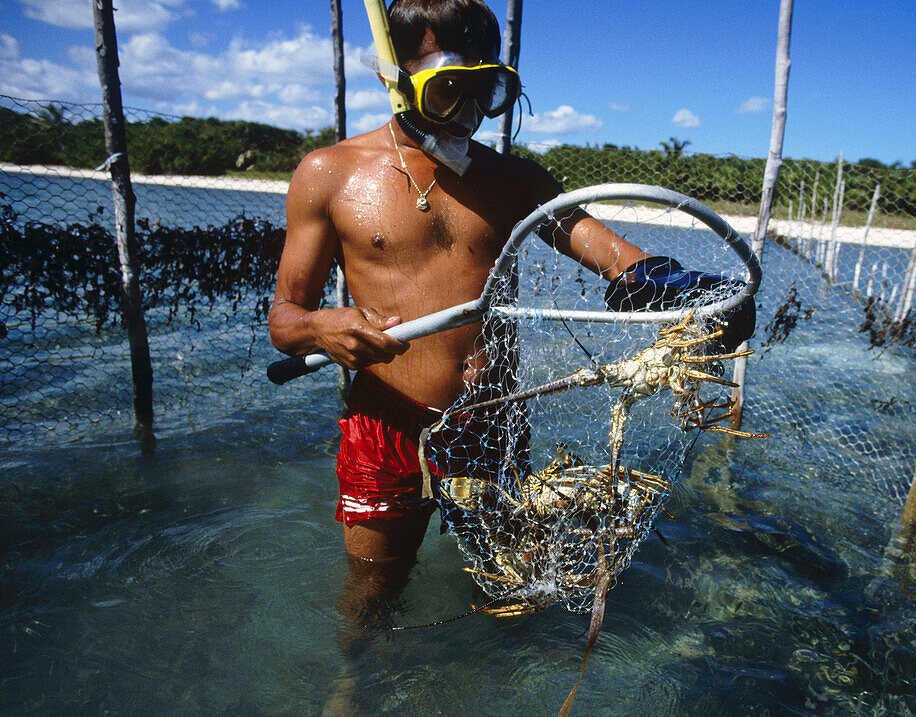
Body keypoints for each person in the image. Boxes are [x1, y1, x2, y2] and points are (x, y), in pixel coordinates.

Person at [268, 0, 754, 594]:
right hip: (385, 423)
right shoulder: (329, 173)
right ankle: (352, 690)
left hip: (492, 424)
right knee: (372, 592)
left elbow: (623, 263)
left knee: (506, 584)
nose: (469, 115)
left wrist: (698, 296)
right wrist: (322, 328)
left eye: (487, 92)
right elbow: (285, 319)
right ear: (393, 78)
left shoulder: (517, 182)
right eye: (450, 91)